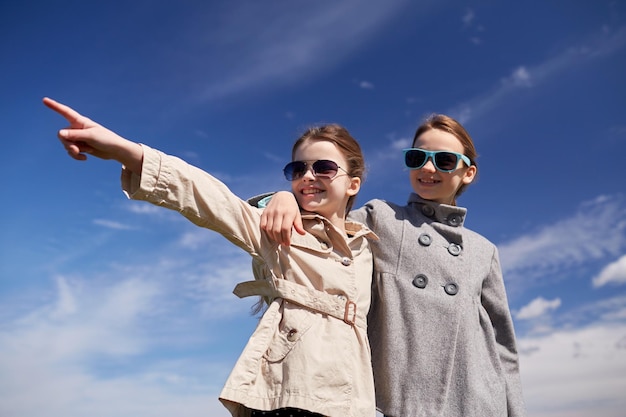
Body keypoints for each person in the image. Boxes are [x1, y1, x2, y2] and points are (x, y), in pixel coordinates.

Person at [43, 97, 378, 417]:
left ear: (353, 184)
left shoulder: (370, 246)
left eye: (323, 168)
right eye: (297, 169)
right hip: (288, 394)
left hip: (354, 403)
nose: (308, 176)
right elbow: (207, 197)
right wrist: (127, 151)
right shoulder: (277, 230)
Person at [259, 114, 526, 416]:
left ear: (468, 172)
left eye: (445, 160)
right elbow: (322, 216)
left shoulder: (483, 250)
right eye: (417, 157)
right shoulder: (381, 218)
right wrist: (283, 198)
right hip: (404, 400)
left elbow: (504, 347)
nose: (428, 168)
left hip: (476, 400)